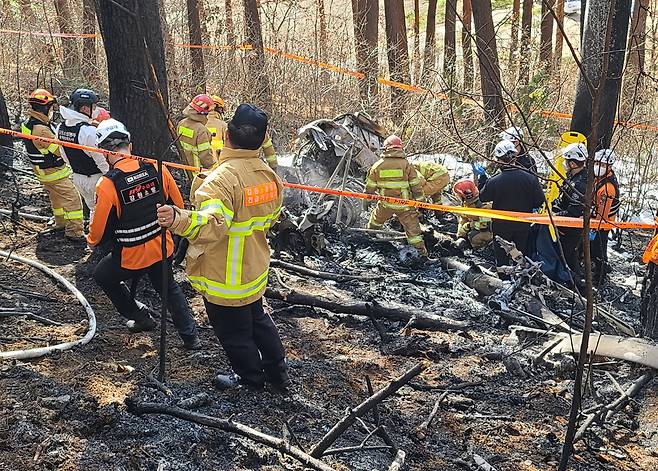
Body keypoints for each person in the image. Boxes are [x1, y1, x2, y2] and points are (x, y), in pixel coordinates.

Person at [157, 104, 289, 392]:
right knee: (258, 320)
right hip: (254, 268)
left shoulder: (220, 180)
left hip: (225, 275)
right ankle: (278, 373)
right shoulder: (269, 176)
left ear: (226, 135)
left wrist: (177, 218)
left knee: (234, 332)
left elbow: (211, 226)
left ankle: (250, 379)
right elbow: (269, 219)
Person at [88, 119, 200, 349]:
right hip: (162, 247)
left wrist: (91, 241)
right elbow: (178, 207)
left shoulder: (107, 185)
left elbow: (97, 235)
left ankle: (138, 316)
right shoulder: (157, 168)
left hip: (131, 256)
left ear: (104, 151)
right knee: (170, 289)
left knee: (102, 275)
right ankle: (191, 337)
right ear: (130, 145)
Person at [21, 89, 84, 240]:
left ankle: (60, 222)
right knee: (72, 199)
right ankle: (75, 232)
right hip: (54, 172)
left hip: (43, 172)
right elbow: (59, 152)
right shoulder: (41, 130)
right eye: (50, 107)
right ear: (45, 108)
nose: (52, 111)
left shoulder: (30, 123)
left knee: (56, 198)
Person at [476, 140, 545, 269]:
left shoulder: (495, 181)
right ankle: (521, 279)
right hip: (523, 225)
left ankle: (503, 281)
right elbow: (539, 201)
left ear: (499, 160)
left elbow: (483, 197)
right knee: (520, 256)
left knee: (502, 258)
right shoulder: (530, 178)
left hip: (501, 226)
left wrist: (482, 180)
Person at [364, 135, 428, 257]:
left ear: (386, 148)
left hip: (385, 204)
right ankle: (421, 254)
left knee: (376, 221)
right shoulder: (406, 165)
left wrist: (366, 200)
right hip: (404, 206)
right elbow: (416, 185)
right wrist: (421, 202)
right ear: (400, 148)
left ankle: (368, 237)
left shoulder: (377, 166)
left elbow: (370, 186)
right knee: (414, 232)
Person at [57, 88, 109, 222]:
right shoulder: (88, 131)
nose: (96, 110)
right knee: (106, 213)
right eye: (94, 106)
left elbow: (64, 156)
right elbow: (101, 160)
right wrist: (112, 177)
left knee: (94, 211)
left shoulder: (60, 128)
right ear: (85, 108)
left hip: (78, 178)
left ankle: (93, 237)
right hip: (96, 179)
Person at [552, 142, 588, 278]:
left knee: (567, 257)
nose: (564, 164)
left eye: (566, 161)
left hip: (570, 229)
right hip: (564, 227)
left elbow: (573, 212)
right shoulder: (573, 178)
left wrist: (554, 216)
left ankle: (574, 283)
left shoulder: (580, 184)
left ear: (573, 164)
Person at [591, 148, 620, 284]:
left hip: (603, 223)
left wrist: (594, 227)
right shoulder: (600, 179)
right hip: (599, 220)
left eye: (602, 165)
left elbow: (602, 212)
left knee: (599, 248)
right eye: (597, 163)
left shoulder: (607, 187)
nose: (598, 167)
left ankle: (600, 275)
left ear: (609, 166)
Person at [177, 94, 215, 179]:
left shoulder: (181, 123)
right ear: (203, 112)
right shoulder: (201, 130)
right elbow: (205, 155)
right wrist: (213, 167)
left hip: (183, 170)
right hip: (197, 173)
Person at [452, 179, 493, 249]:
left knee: (474, 237)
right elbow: (463, 219)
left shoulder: (483, 205)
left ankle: (484, 249)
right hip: (476, 227)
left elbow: (485, 224)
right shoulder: (467, 204)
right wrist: (460, 236)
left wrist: (468, 226)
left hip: (491, 231)